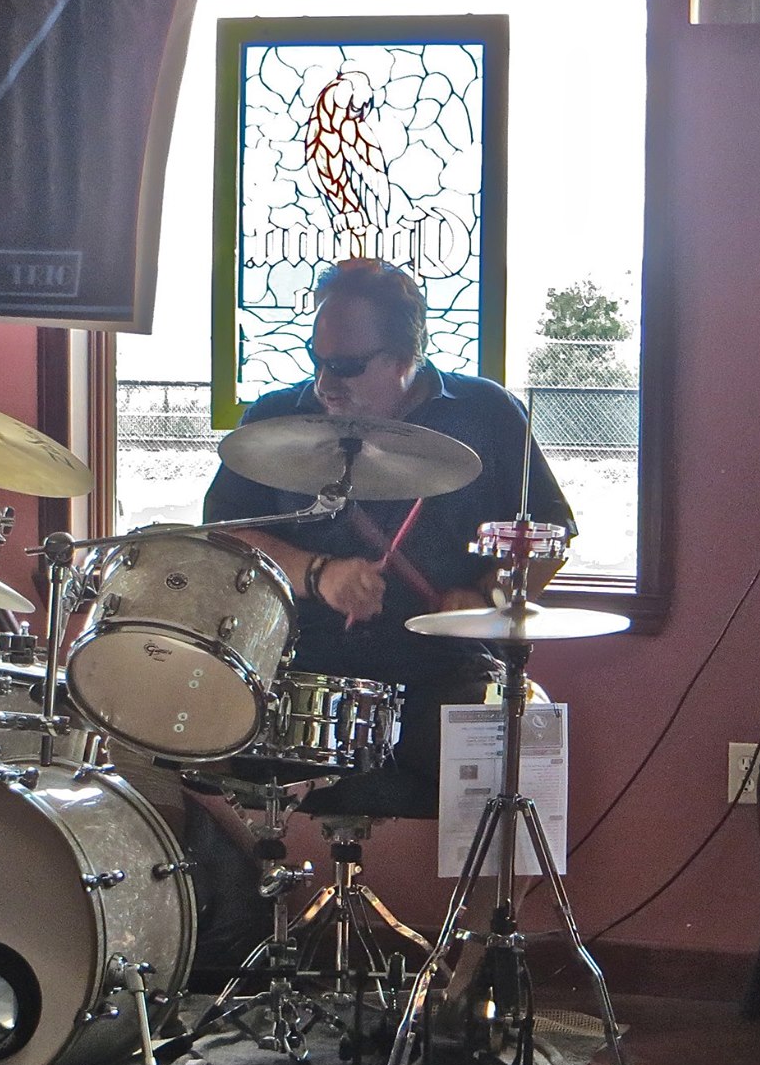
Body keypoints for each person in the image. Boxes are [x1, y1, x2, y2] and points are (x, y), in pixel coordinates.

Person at [203, 258, 576, 819]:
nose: (326, 384)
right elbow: (227, 536)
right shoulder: (277, 415)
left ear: (406, 356)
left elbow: (549, 533)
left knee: (527, 754)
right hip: (302, 668)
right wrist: (317, 573)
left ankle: (482, 913)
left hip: (446, 669)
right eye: (317, 361)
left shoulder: (488, 414)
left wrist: (487, 597)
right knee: (171, 738)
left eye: (348, 366)